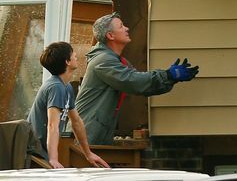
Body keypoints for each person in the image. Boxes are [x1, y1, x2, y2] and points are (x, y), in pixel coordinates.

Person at [75, 12, 199, 145]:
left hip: (93, 133)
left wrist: (171, 78)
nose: (127, 28)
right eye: (121, 26)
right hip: (86, 134)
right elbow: (133, 81)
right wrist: (168, 75)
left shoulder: (116, 61)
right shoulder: (104, 61)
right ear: (110, 35)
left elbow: (142, 85)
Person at [27, 41, 110, 169]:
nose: (76, 55)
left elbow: (76, 121)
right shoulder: (56, 87)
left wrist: (88, 154)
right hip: (34, 153)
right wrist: (53, 159)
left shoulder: (66, 87)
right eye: (72, 53)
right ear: (67, 61)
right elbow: (52, 124)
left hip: (44, 151)